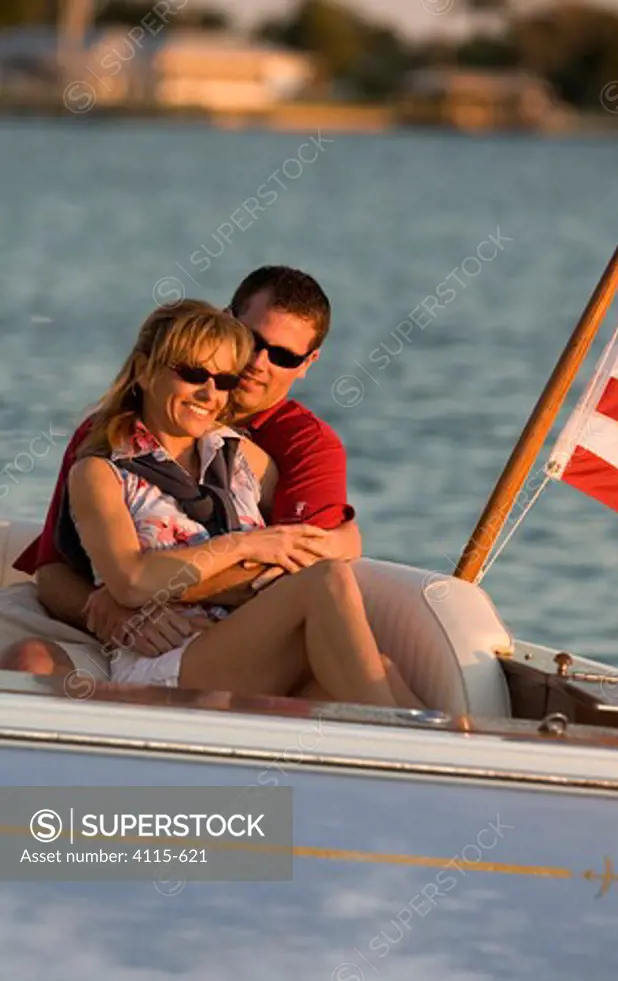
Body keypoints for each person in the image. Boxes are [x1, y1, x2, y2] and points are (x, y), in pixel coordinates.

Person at [0, 266, 360, 681]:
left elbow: (289, 568)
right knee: (29, 661)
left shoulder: (298, 449)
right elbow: (54, 572)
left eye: (282, 356)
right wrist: (114, 609)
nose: (259, 364)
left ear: (307, 363)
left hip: (220, 636)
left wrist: (138, 593)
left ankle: (440, 740)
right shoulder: (110, 437)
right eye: (252, 341)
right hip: (98, 625)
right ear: (228, 323)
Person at [60, 298, 419, 707]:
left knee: (377, 669)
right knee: (325, 583)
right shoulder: (101, 472)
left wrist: (348, 537)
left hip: (243, 651)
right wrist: (244, 545)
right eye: (193, 373)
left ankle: (446, 756)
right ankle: (405, 737)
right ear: (144, 371)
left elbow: (315, 542)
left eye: (224, 380)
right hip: (168, 662)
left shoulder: (241, 456)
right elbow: (131, 581)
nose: (209, 393)